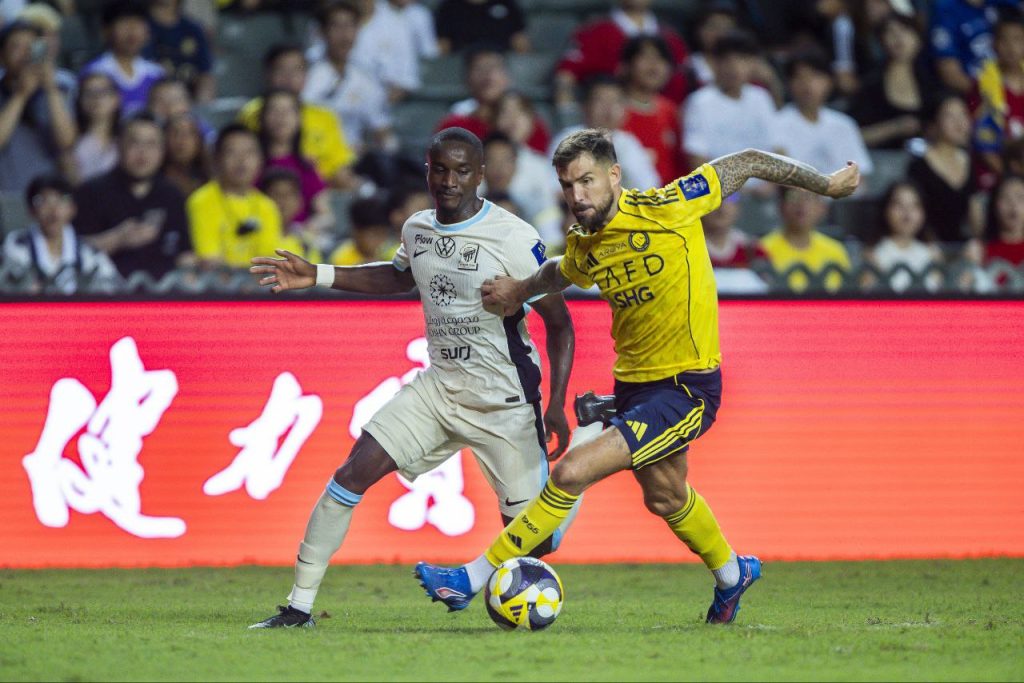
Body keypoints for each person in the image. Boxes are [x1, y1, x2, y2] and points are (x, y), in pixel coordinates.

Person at [414, 128, 859, 624]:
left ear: (614, 175)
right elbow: (564, 271)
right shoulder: (587, 241)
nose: (577, 196)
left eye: (586, 181)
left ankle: (470, 578)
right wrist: (520, 289)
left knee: (570, 472)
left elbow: (750, 159)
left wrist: (827, 185)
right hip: (634, 388)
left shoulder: (669, 205)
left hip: (687, 388)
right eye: (566, 185)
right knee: (665, 495)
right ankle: (734, 574)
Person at [247, 127, 577, 629]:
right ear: (427, 170)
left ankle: (585, 457)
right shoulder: (417, 229)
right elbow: (403, 277)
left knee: (540, 542)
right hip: (438, 390)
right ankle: (298, 607)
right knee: (350, 475)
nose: (449, 181)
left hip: (505, 404)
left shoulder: (514, 238)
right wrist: (317, 274)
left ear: (481, 175)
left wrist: (555, 402)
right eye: (440, 169)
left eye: (462, 171)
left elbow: (560, 323)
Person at [75, 113, 192, 280]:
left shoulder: (172, 195)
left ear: (162, 150)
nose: (143, 152)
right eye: (134, 142)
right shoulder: (91, 192)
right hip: (106, 296)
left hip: (164, 298)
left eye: (151, 144)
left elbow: (184, 254)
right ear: (118, 146)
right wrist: (117, 239)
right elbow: (73, 250)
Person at [239, 44, 359, 190]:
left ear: (306, 75)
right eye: (281, 69)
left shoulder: (325, 116)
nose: (289, 77)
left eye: (296, 70)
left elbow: (340, 167)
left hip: (317, 189)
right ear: (268, 74)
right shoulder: (251, 113)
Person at [187, 123, 294, 269]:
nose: (241, 160)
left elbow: (271, 262)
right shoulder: (201, 201)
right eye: (232, 152)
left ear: (260, 160)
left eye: (249, 152)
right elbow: (209, 261)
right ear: (216, 159)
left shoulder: (267, 206)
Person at [553, 0, 689, 109]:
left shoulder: (672, 40)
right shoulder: (595, 33)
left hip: (665, 122)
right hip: (609, 120)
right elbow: (565, 77)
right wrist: (568, 114)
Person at [2, 174, 121, 294]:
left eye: (61, 200)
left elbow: (114, 289)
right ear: (31, 210)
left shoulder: (89, 253)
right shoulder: (16, 246)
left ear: (73, 209)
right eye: (43, 201)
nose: (53, 210)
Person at [303, 0, 395, 156]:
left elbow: (381, 129)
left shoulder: (366, 77)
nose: (344, 35)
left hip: (355, 158)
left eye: (350, 26)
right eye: (336, 26)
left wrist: (387, 149)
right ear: (322, 32)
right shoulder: (306, 71)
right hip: (315, 155)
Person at [682, 30, 781, 174]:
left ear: (753, 63)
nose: (733, 67)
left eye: (741, 59)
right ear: (714, 64)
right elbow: (697, 158)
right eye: (726, 60)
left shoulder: (761, 97)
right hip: (722, 191)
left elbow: (777, 148)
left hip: (764, 189)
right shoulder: (700, 102)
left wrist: (773, 186)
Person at [0, 20, 76, 193]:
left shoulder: (62, 88)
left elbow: (66, 142)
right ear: (1, 56)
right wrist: (21, 95)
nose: (25, 54)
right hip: (7, 195)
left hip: (51, 196)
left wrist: (50, 88)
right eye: (16, 47)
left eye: (31, 47)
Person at [775, 51, 873, 182]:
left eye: (815, 76)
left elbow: (860, 177)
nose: (807, 84)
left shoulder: (844, 125)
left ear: (829, 82)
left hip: (841, 200)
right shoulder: (776, 123)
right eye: (799, 77)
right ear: (789, 83)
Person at [548, 76, 660, 192]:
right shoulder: (568, 139)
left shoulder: (628, 142)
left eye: (615, 101)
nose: (608, 108)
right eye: (601, 100)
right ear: (585, 106)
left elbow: (649, 187)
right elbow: (553, 187)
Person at [435, 45, 550, 155]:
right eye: (480, 68)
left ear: (507, 76)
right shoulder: (454, 128)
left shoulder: (531, 125)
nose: (488, 76)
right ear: (466, 78)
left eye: (494, 67)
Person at [851, 13, 940, 150]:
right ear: (881, 41)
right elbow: (854, 135)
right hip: (885, 161)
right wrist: (895, 128)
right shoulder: (872, 83)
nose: (898, 37)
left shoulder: (933, 78)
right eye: (890, 32)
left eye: (905, 30)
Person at [906, 92, 985, 244]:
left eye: (963, 115)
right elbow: (916, 212)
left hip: (962, 246)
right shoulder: (919, 165)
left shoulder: (970, 161)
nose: (959, 122)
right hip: (924, 245)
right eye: (950, 116)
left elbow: (975, 214)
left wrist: (978, 243)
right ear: (934, 123)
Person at [257, 89, 334, 239]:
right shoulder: (253, 164)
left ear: (299, 119)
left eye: (287, 111)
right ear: (263, 117)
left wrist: (304, 229)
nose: (281, 118)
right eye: (274, 111)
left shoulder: (306, 166)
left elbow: (326, 216)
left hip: (297, 240)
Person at [619, 35, 686, 185]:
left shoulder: (671, 112)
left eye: (661, 59)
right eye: (645, 56)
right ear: (626, 66)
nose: (654, 65)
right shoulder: (613, 112)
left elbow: (682, 165)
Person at [969, 12, 1024, 188]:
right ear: (993, 44)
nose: (1011, 47)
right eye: (1004, 40)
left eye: (1018, 40)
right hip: (995, 177)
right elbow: (983, 142)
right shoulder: (983, 85)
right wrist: (1011, 180)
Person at [760, 188, 852, 292]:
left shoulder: (836, 251)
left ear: (822, 207)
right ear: (781, 206)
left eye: (809, 197)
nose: (801, 204)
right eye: (793, 197)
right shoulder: (762, 250)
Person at [81, 0, 165, 114]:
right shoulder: (94, 73)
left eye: (138, 22)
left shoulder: (157, 74)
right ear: (106, 31)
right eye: (123, 21)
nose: (132, 29)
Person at [481, 130, 563, 247]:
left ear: (515, 164)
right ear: (480, 166)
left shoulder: (536, 210)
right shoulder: (467, 209)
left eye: (505, 161)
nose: (498, 168)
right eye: (491, 160)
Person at [862, 180, 943, 292]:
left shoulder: (932, 254)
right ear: (886, 210)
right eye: (899, 205)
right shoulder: (873, 254)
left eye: (914, 206)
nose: (907, 213)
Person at [929, 0, 1019, 95]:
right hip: (971, 89)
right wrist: (985, 92)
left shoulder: (1001, 4)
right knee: (953, 108)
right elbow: (949, 72)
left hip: (1009, 82)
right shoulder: (946, 10)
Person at [144, 0, 214, 102]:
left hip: (187, 102)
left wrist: (202, 105)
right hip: (152, 100)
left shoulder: (194, 29)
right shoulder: (140, 28)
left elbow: (205, 75)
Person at [702, 194, 769, 294]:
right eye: (713, 198)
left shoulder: (752, 250)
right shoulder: (686, 251)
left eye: (729, 198)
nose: (721, 206)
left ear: (738, 208)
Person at [72, 73, 121, 184]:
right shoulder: (72, 142)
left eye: (103, 92)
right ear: (80, 100)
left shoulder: (126, 139)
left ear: (116, 98)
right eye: (88, 93)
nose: (96, 98)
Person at [434, 0, 528, 55]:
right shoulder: (449, 7)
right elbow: (443, 45)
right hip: (462, 65)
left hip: (501, 64)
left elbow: (520, 41)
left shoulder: (507, 4)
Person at [327, 193, 396, 265]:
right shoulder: (341, 259)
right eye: (375, 234)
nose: (380, 241)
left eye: (383, 234)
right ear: (356, 232)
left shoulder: (393, 254)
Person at [161, 112, 210, 197]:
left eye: (189, 133)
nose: (182, 140)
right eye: (175, 133)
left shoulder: (213, 177)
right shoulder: (152, 180)